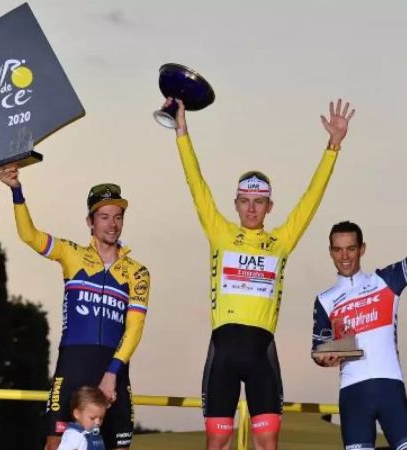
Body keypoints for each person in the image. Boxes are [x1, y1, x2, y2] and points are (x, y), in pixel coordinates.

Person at [164, 97, 355, 450]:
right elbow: (196, 183)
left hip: (261, 353)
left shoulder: (280, 241)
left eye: (259, 202)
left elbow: (311, 200)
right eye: (245, 201)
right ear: (236, 203)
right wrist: (182, 131)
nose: (251, 208)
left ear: (269, 206)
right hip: (222, 352)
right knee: (216, 445)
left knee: (268, 444)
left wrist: (333, 147)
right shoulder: (219, 232)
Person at [0, 164, 151, 450]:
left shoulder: (137, 272)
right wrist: (17, 191)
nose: (112, 224)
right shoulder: (72, 254)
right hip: (73, 366)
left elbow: (135, 328)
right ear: (90, 221)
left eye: (117, 217)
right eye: (104, 217)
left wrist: (112, 372)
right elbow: (30, 236)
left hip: (113, 370)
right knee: (54, 444)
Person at [311, 163, 407, 450]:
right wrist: (323, 359)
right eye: (338, 250)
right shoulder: (324, 299)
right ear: (330, 253)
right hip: (353, 393)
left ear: (362, 248)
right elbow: (318, 349)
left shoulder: (386, 280)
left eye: (351, 248)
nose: (345, 256)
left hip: (390, 388)